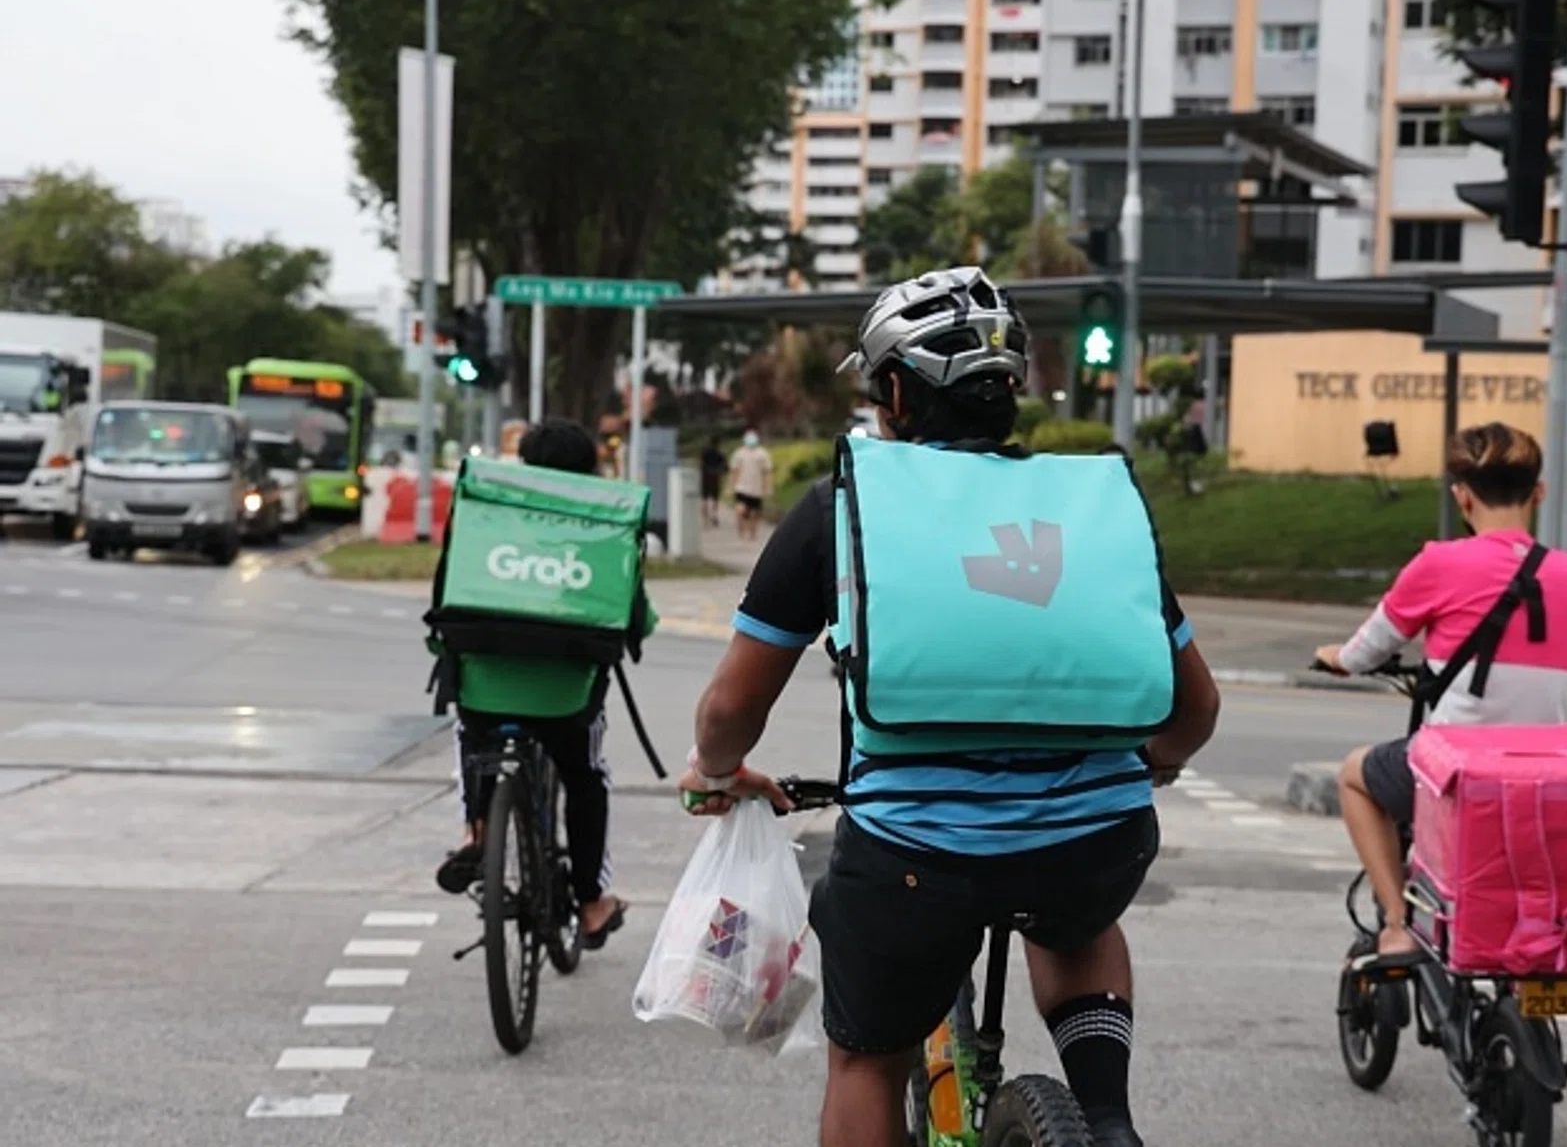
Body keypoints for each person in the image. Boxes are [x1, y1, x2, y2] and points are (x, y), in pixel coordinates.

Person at [680, 266, 1221, 1147]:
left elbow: (732, 709)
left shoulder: (842, 505)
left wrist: (715, 770)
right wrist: (1152, 764)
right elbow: (1195, 709)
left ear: (895, 392)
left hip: (912, 858)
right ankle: (1107, 1122)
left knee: (867, 1058)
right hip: (1100, 839)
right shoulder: (1095, 505)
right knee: (1077, 918)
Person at [1313, 422, 1567, 966]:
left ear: (1462, 496)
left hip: (1461, 774)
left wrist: (1336, 658)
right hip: (1556, 775)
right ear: (1539, 493)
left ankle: (1397, 924)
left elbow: (1364, 651)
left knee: (1356, 776)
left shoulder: (1439, 563)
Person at [427, 418, 635, 949]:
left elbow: (446, 592)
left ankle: (476, 831)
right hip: (566, 697)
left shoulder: (484, 512)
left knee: (471, 740)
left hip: (483, 687)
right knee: (587, 777)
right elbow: (636, 613)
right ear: (591, 471)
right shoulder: (605, 523)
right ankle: (591, 903)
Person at [728, 428, 774, 541]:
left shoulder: (761, 454)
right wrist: (732, 486)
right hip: (743, 487)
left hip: (755, 488)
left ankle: (751, 532)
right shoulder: (740, 453)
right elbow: (734, 471)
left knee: (753, 512)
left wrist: (767, 487)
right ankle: (744, 528)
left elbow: (767, 472)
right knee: (744, 510)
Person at [699, 435, 727, 528]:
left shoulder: (704, 452)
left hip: (705, 477)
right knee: (715, 498)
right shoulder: (720, 453)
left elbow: (701, 464)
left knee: (704, 499)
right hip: (715, 478)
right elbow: (724, 466)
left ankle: (705, 520)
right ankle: (714, 515)